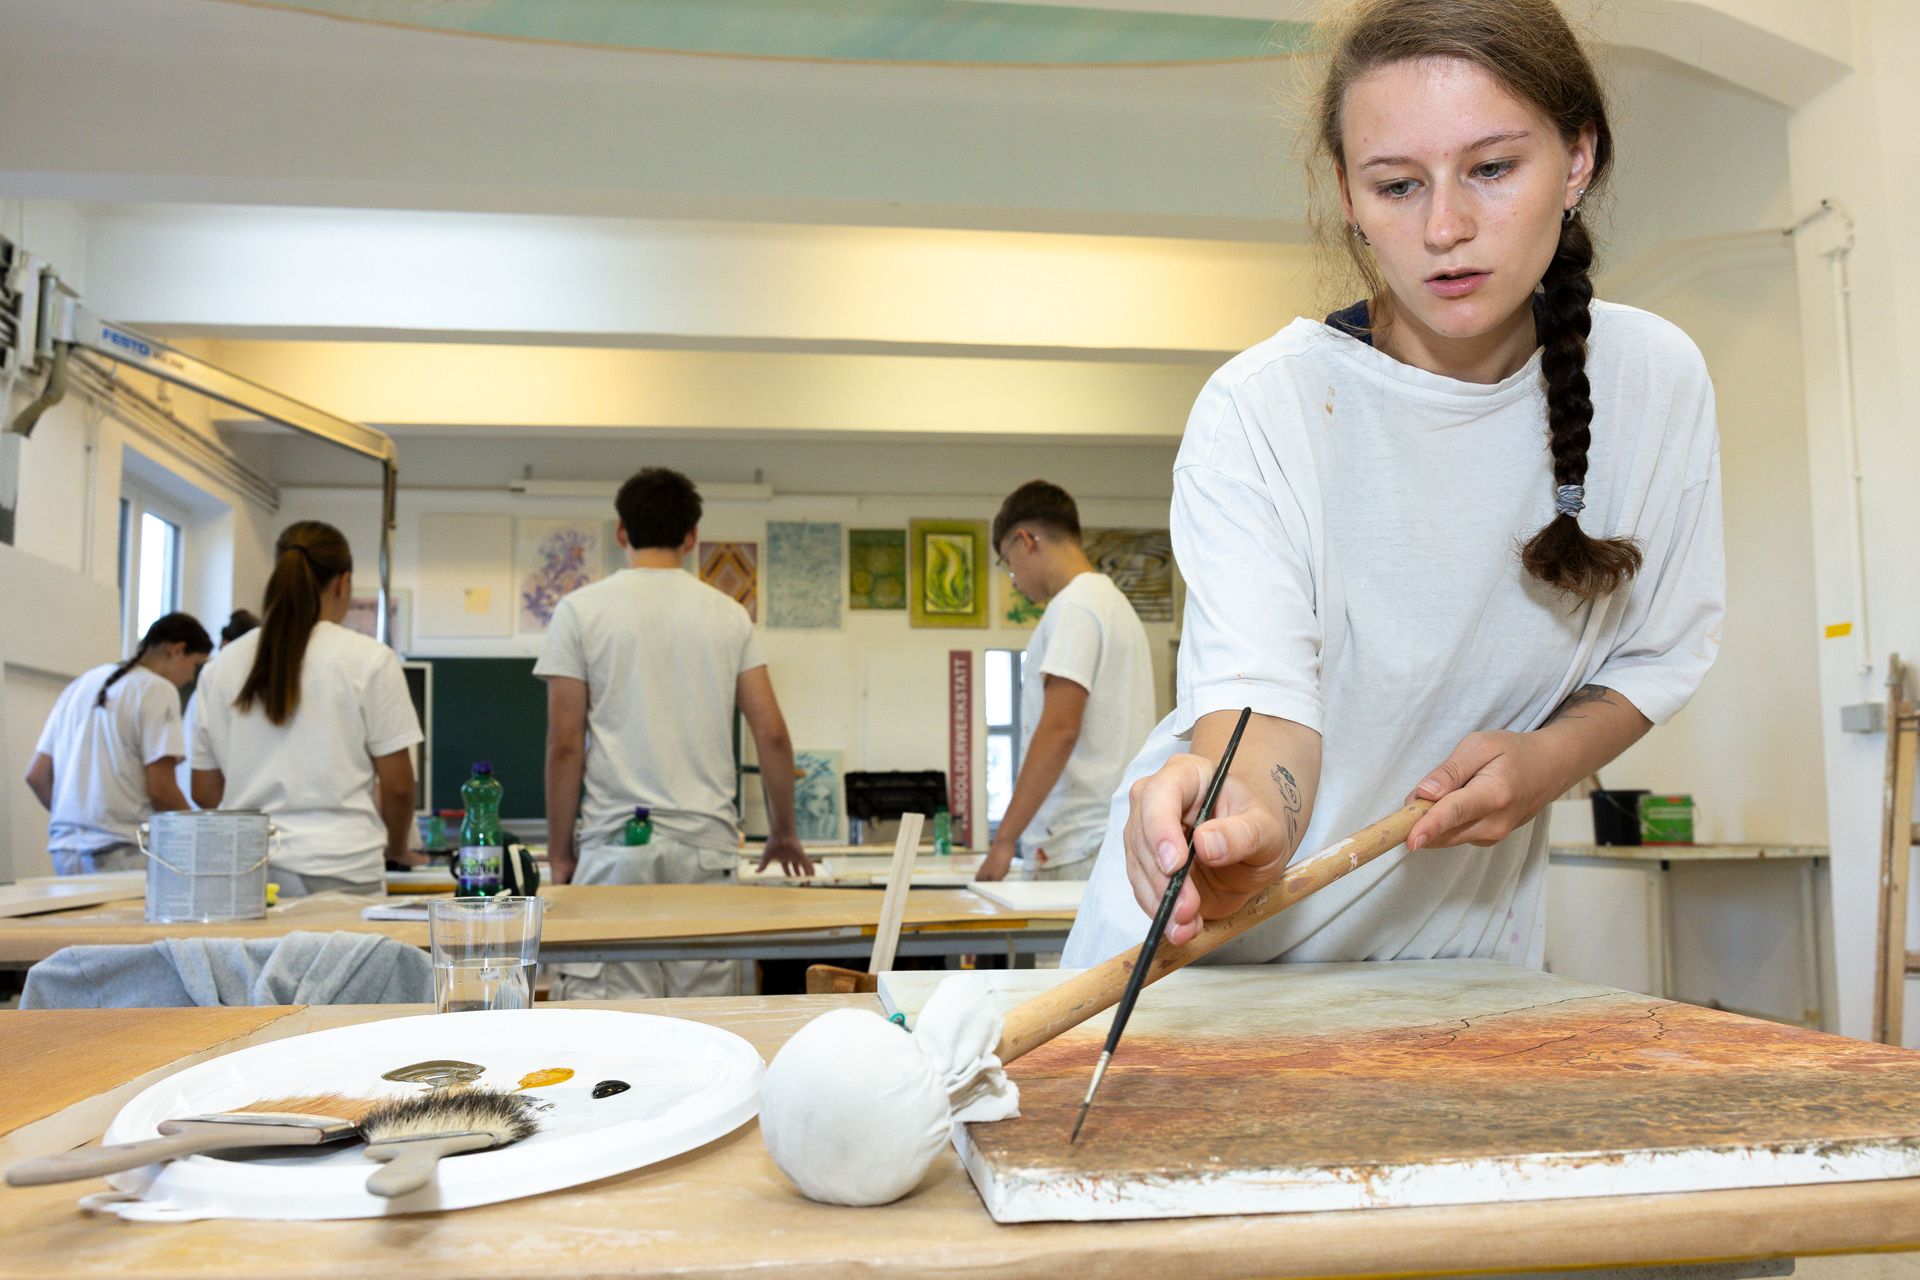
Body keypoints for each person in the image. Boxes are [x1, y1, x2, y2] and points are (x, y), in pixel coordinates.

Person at [1064, 0, 1723, 968]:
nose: (1446, 227)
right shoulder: (1264, 408)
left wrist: (1546, 762)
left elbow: (1658, 652)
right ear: (1346, 192)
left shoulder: (1653, 381)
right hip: (1201, 965)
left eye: (1493, 169)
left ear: (1578, 158)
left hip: (1450, 972)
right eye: (1397, 185)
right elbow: (1263, 715)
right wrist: (1238, 822)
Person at [537, 466, 812, 999]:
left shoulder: (579, 611)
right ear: (691, 537)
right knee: (706, 1026)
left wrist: (559, 850)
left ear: (621, 533)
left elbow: (565, 743)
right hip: (705, 848)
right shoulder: (728, 614)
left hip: (614, 846)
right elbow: (772, 734)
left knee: (613, 1029)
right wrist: (783, 832)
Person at [189, 521, 424, 897]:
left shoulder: (221, 667)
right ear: (343, 582)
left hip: (249, 874)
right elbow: (397, 787)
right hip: (342, 869)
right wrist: (397, 848)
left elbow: (203, 789)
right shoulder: (369, 660)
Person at [978, 481, 1155, 883]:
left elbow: (1059, 729)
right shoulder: (1112, 603)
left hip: (1077, 845)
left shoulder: (1075, 606)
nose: (1013, 580)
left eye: (1008, 562)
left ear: (1025, 540)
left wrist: (1004, 839)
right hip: (1104, 838)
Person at [26, 613, 213, 875]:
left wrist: (79, 820)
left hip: (65, 852)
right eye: (195, 666)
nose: (191, 679)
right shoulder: (157, 689)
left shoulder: (81, 685)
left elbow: (37, 775)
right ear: (176, 650)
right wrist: (206, 838)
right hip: (122, 850)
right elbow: (162, 791)